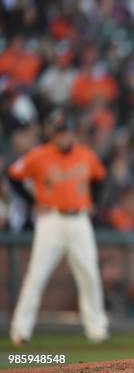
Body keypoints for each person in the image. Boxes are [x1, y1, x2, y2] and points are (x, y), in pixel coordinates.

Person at [7, 109, 109, 346]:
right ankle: (20, 331)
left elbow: (101, 179)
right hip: (50, 220)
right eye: (58, 132)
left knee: (90, 275)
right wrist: (32, 201)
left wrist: (94, 202)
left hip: (79, 220)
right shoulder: (39, 155)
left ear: (72, 132)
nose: (63, 136)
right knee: (37, 275)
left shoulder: (85, 154)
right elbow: (13, 176)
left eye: (65, 131)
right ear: (52, 134)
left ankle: (97, 330)